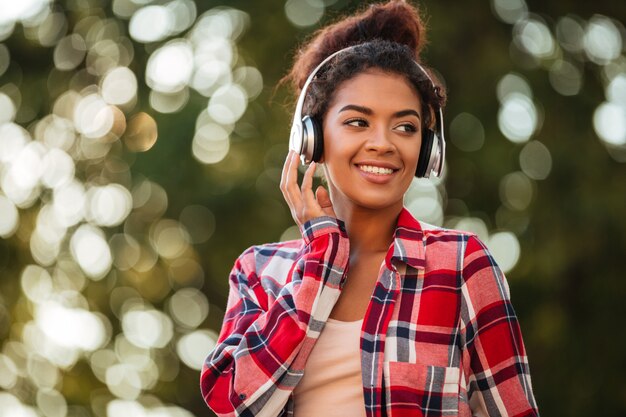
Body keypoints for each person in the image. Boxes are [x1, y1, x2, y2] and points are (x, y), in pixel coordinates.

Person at [200, 1, 539, 416]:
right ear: (313, 140)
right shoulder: (259, 271)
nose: (383, 142)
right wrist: (321, 257)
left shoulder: (462, 266)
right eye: (358, 122)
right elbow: (233, 405)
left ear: (428, 149)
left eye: (406, 126)